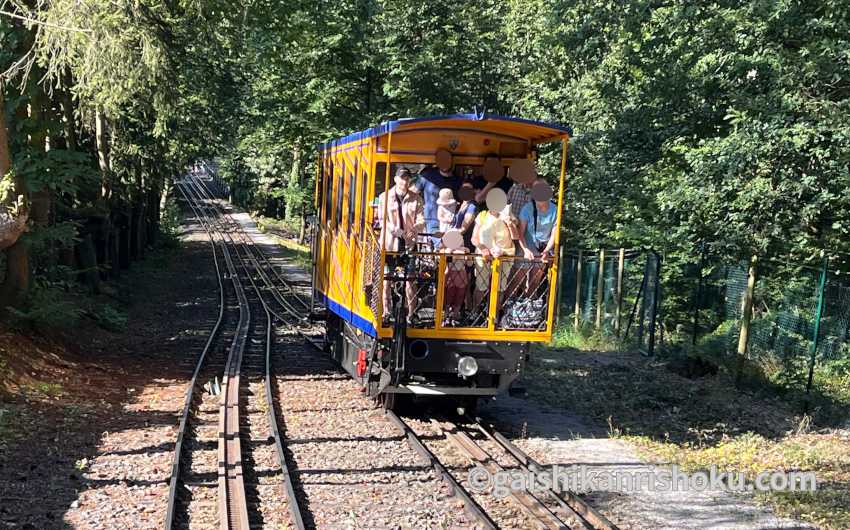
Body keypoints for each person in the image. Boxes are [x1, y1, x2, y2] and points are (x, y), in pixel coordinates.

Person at [376, 168, 424, 322]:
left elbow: (421, 220)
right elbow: (383, 220)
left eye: (407, 178)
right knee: (387, 278)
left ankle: (411, 313)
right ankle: (386, 311)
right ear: (396, 179)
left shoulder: (416, 198)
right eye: (402, 178)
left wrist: (414, 229)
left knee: (410, 279)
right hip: (389, 245)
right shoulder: (384, 197)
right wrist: (398, 232)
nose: (405, 181)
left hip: (409, 245)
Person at [470, 204, 516, 318]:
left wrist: (510, 224)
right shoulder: (482, 215)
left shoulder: (509, 215)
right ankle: (476, 314)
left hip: (505, 255)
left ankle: (494, 316)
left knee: (500, 287)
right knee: (481, 285)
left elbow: (516, 237)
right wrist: (483, 248)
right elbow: (474, 238)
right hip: (484, 256)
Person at [516, 179, 558, 296]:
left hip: (543, 248)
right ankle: (507, 306)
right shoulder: (527, 208)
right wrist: (525, 250)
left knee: (535, 281)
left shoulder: (555, 210)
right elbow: (520, 232)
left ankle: (529, 305)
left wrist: (546, 251)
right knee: (517, 280)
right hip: (525, 246)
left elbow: (554, 234)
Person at [418, 150, 460, 244]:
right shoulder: (427, 176)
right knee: (442, 245)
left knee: (452, 247)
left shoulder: (457, 181)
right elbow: (413, 192)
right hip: (432, 221)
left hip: (450, 223)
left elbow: (461, 202)